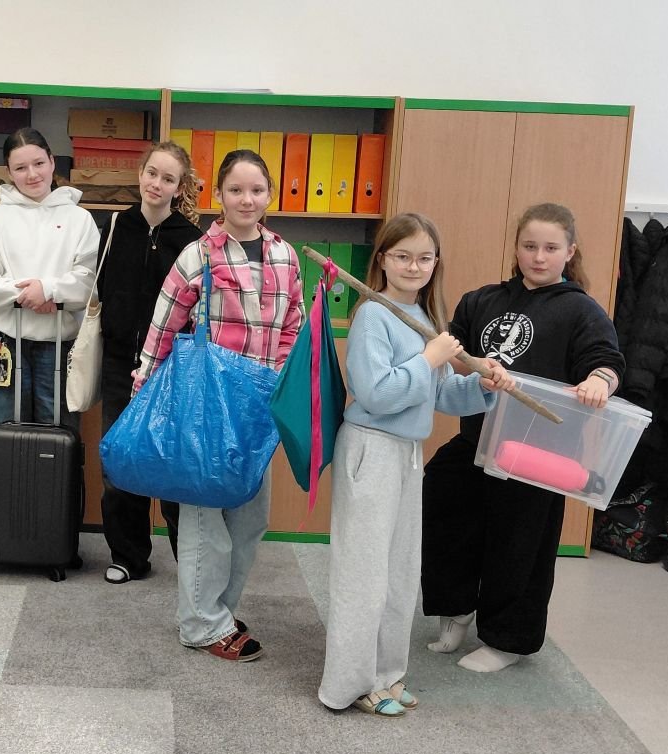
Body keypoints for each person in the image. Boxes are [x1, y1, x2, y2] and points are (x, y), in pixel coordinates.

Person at [318, 213, 514, 716]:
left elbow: (439, 394)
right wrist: (429, 358)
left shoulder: (425, 316)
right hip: (371, 450)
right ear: (382, 259)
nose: (413, 266)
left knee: (401, 573)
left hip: (407, 453)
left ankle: (387, 674)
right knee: (363, 575)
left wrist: (481, 385)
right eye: (402, 256)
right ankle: (350, 684)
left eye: (424, 258)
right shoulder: (373, 315)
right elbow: (378, 394)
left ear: (435, 263)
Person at [421, 202, 626, 673]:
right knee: (444, 497)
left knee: (519, 545)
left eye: (550, 248)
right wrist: (473, 366)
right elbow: (454, 351)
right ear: (515, 248)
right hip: (478, 440)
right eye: (529, 246)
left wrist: (599, 381)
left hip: (537, 455)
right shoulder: (482, 300)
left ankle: (507, 638)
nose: (538, 256)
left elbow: (607, 362)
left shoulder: (580, 310)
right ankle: (456, 608)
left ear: (569, 251)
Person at [133, 149, 303, 661]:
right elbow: (164, 323)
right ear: (219, 196)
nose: (246, 199)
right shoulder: (199, 255)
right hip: (207, 404)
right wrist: (145, 381)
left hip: (258, 407)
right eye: (235, 190)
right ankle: (201, 624)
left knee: (250, 518)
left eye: (256, 190)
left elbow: (293, 323)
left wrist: (278, 376)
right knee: (206, 520)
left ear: (269, 195)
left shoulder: (285, 255)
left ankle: (219, 610)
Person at [96, 141, 202, 585]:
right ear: (140, 173)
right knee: (121, 459)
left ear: (180, 188)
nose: (157, 184)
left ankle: (187, 561)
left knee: (173, 464)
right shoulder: (116, 226)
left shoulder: (192, 240)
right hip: (120, 362)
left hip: (172, 368)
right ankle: (128, 555)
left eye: (168, 178)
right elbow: (102, 288)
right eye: (152, 173)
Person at [0, 127, 99, 431]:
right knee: (3, 433)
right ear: (9, 172)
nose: (32, 174)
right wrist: (33, 296)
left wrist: (48, 290)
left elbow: (87, 284)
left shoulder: (79, 219)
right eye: (21, 168)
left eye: (38, 163)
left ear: (52, 162)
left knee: (59, 434)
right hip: (2, 342)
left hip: (60, 344)